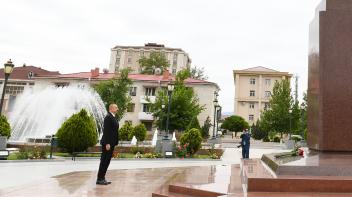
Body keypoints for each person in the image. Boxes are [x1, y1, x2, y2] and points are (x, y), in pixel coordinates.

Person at [97, 104, 119, 185]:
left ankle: (102, 178)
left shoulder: (112, 117)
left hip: (111, 143)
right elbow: (106, 131)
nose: (118, 109)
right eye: (116, 107)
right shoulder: (108, 117)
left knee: (107, 161)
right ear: (111, 108)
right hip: (108, 144)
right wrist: (107, 143)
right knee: (104, 161)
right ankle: (99, 179)